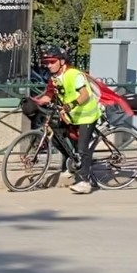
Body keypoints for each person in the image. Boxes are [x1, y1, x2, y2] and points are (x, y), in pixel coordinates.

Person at [31, 46, 102, 195]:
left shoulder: (74, 75)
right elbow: (49, 95)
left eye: (52, 61)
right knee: (57, 137)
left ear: (62, 61)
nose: (48, 65)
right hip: (71, 116)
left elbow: (84, 95)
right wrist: (35, 101)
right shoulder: (54, 78)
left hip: (86, 115)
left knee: (82, 148)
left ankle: (84, 182)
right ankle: (73, 164)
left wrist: (70, 106)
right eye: (46, 62)